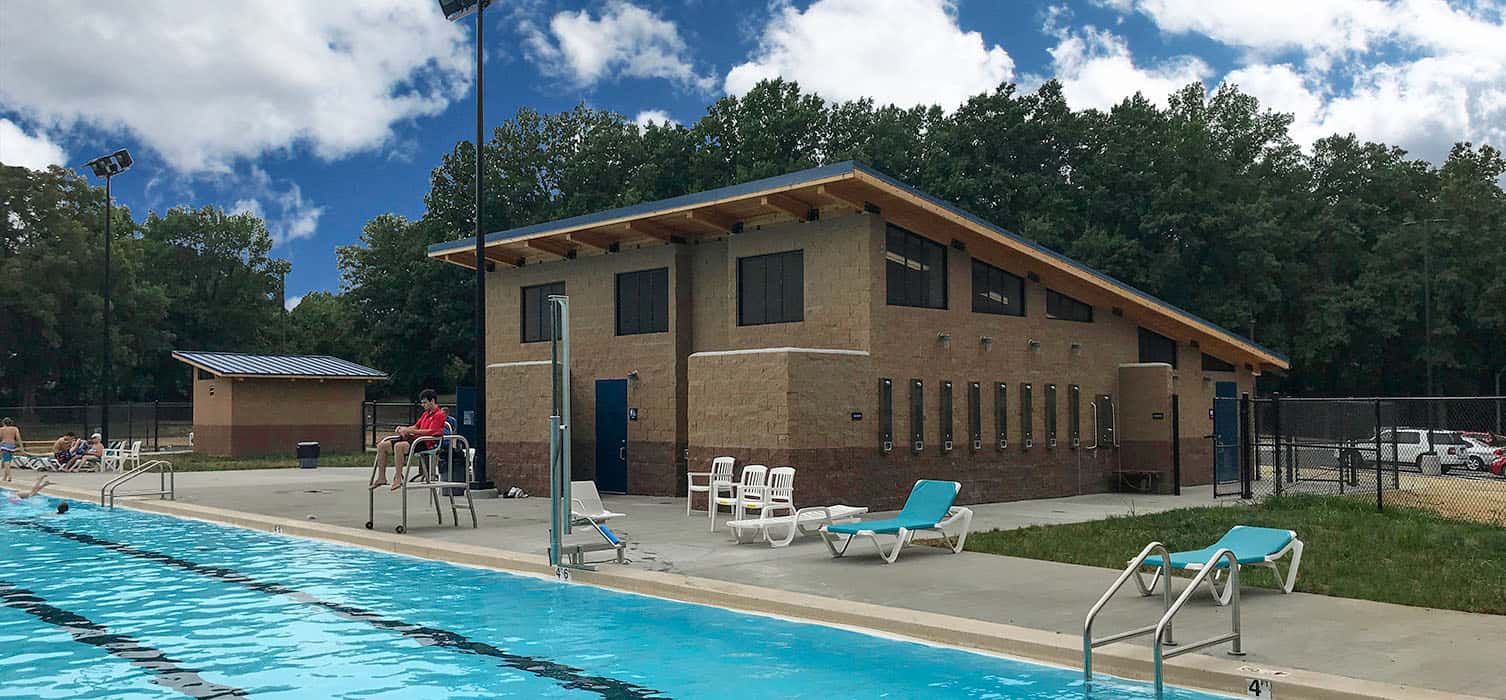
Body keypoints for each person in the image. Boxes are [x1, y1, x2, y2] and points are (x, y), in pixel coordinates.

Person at [371, 389, 447, 491]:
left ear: (432, 401)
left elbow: (431, 431)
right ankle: (381, 477)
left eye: (425, 402)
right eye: (422, 403)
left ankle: (398, 478)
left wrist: (411, 432)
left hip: (427, 442)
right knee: (382, 446)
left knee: (399, 446)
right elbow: (416, 426)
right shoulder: (426, 414)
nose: (422, 405)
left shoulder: (439, 415)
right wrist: (404, 429)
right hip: (417, 439)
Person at [0, 417, 22, 482]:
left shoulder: (1, 429)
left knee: (6, 461)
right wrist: (21, 447)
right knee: (8, 461)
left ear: (3, 423)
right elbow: (18, 438)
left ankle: (9, 476)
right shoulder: (15, 428)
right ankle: (4, 477)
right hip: (12, 445)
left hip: (4, 445)